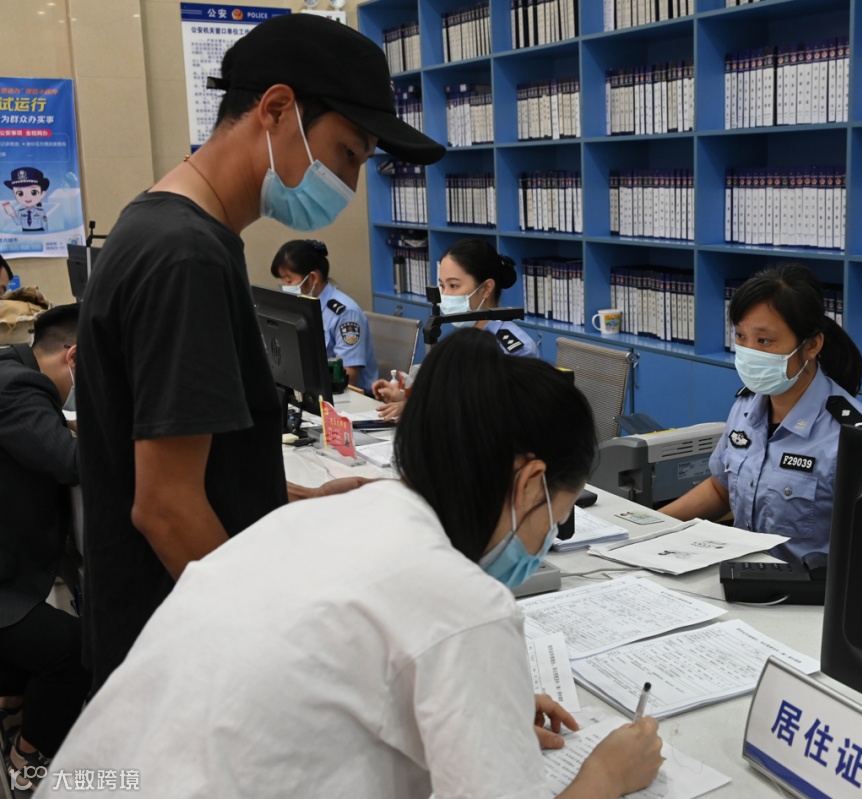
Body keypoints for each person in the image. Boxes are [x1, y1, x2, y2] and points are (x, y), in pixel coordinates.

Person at [44, 329, 663, 798]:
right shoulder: (463, 603)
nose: (549, 536)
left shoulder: (330, 516)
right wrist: (605, 778)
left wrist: (483, 709)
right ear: (530, 484)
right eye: (557, 516)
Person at [74, 13, 445, 694]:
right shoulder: (185, 257)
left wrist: (298, 499)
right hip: (180, 654)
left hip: (157, 628)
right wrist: (285, 656)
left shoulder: (160, 225)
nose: (349, 185)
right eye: (347, 155)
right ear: (276, 109)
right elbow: (165, 507)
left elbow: (188, 471)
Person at [660, 264, 862, 561]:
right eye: (740, 336)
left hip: (807, 588)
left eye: (764, 341)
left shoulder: (855, 439)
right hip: (740, 574)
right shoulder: (746, 407)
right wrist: (651, 525)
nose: (749, 351)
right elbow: (721, 490)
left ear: (811, 345)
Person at [0, 304, 90, 791]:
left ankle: (11, 704)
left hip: (10, 565)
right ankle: (28, 757)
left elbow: (44, 433)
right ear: (73, 358)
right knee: (75, 651)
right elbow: (70, 463)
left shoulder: (13, 367)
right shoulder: (16, 387)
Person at [373, 239, 537, 418]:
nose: (445, 296)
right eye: (442, 286)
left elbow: (498, 416)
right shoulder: (462, 338)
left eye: (453, 286)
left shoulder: (515, 350)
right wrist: (407, 398)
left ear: (486, 288)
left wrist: (419, 411)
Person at [270, 239, 378, 392]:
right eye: (282, 282)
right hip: (313, 391)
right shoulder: (302, 306)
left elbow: (349, 376)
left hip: (350, 396)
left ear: (313, 278)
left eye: (289, 281)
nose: (285, 287)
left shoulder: (346, 313)